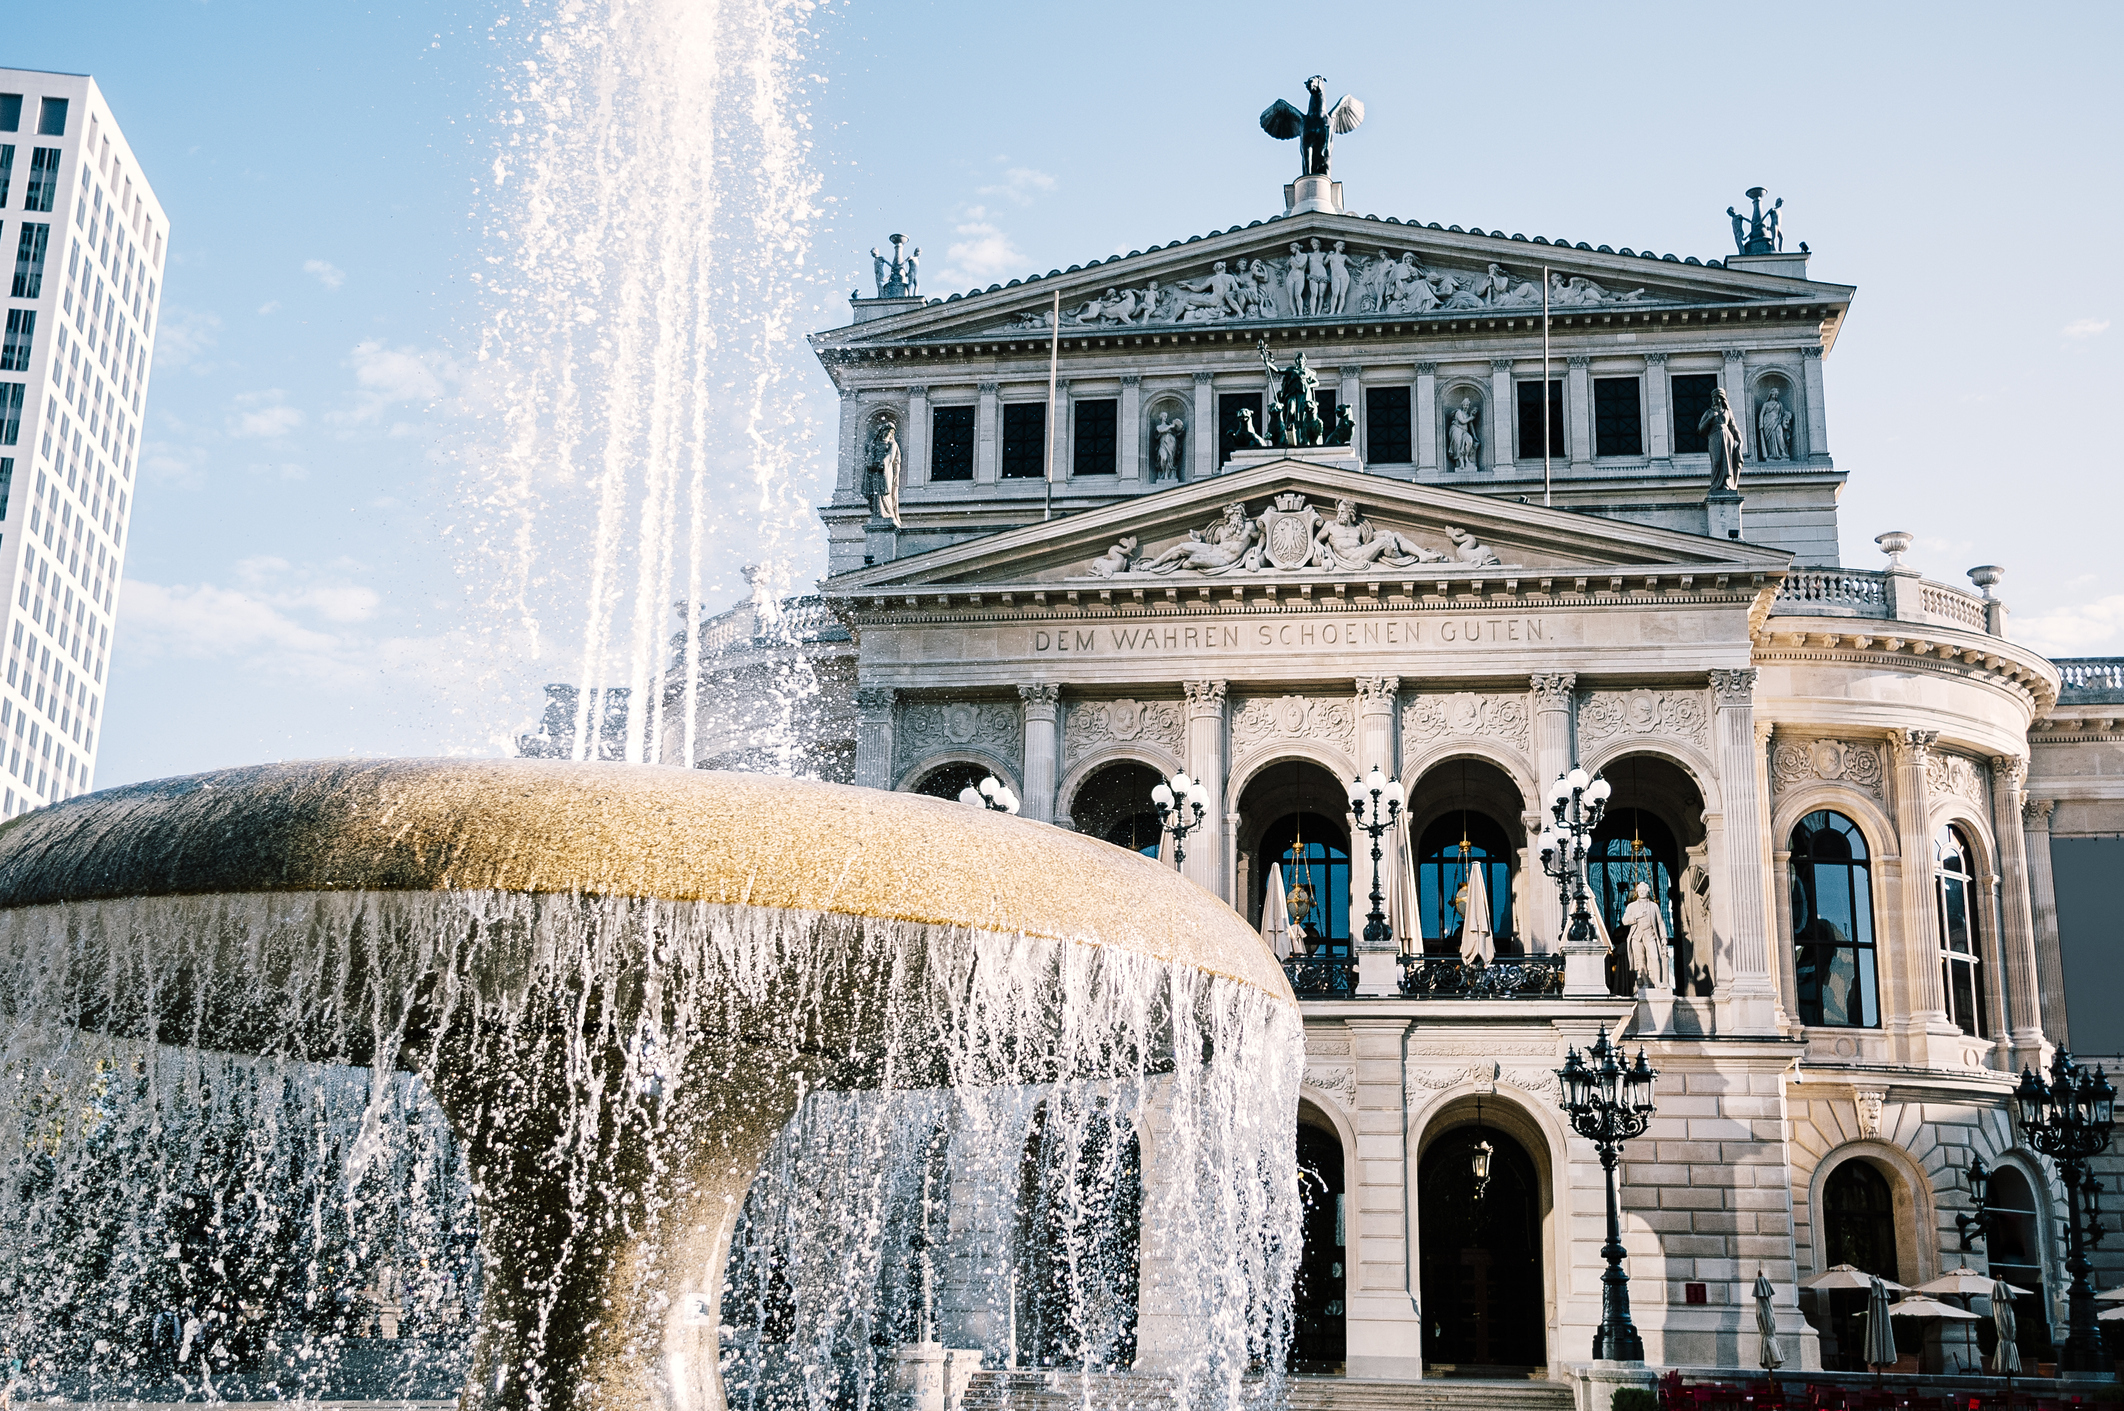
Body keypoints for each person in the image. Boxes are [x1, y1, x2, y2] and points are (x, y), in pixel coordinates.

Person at [1622, 880, 1673, 992]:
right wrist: (1636, 917)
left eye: (1644, 890)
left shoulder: (1654, 906)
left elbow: (1660, 922)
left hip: (1650, 935)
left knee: (1655, 957)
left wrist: (1664, 937)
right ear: (1637, 892)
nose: (1641, 892)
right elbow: (1624, 921)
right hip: (1637, 937)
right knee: (1641, 960)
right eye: (1639, 890)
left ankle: (1658, 982)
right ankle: (1645, 983)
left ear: (1647, 892)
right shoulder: (1631, 906)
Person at [1699, 387, 1746, 493]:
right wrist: (1710, 418)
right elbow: (1700, 429)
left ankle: (1727, 483)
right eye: (1713, 397)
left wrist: (1740, 442)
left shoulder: (1727, 412)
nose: (1714, 399)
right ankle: (1716, 484)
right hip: (1714, 437)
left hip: (1727, 438)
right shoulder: (1709, 412)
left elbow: (1733, 427)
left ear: (1721, 398)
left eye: (1716, 397)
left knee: (1727, 461)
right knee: (1716, 462)